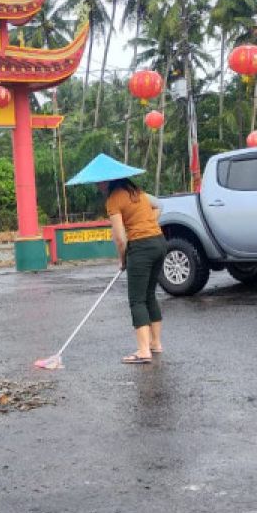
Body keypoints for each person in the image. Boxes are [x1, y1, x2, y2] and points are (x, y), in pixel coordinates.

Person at [66, 153, 167, 365]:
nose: (97, 186)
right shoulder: (137, 192)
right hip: (159, 242)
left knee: (137, 299)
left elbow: (120, 237)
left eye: (99, 182)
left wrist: (123, 259)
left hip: (141, 248)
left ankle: (143, 351)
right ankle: (155, 344)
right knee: (149, 295)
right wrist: (148, 225)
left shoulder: (113, 200)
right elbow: (159, 206)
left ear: (108, 180)